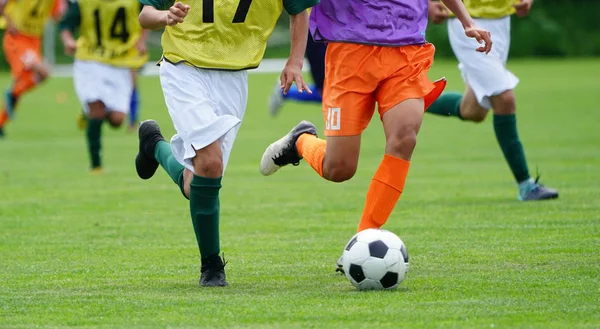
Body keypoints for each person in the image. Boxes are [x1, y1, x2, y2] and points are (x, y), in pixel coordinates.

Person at [259, 0, 492, 271]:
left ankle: (362, 239)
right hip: (349, 50)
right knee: (339, 168)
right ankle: (300, 141)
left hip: (407, 49)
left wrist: (467, 20)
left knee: (404, 138)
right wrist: (296, 60)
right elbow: (299, 5)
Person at [134, 0, 316, 286]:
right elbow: (145, 15)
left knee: (197, 182)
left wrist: (294, 61)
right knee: (211, 161)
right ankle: (212, 266)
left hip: (234, 77)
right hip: (183, 65)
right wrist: (165, 16)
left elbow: (298, 10)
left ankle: (153, 145)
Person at [426, 0, 558, 201]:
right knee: (504, 98)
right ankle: (526, 185)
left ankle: (407, 99)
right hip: (468, 21)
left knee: (473, 110)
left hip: (502, 20)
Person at [59, 0, 149, 172]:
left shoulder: (134, 2)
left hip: (121, 62)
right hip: (90, 61)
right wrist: (68, 40)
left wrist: (141, 40)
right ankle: (96, 165)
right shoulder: (85, 3)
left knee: (117, 120)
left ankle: (88, 113)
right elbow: (66, 24)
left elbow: (147, 15)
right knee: (97, 111)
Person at [0, 0, 65, 137]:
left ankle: (1, 122)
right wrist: (8, 21)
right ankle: (13, 92)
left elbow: (57, 15)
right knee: (44, 71)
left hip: (34, 41)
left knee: (27, 81)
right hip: (17, 39)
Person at [268, 26, 326, 116]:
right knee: (326, 92)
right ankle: (286, 92)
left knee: (329, 92)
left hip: (328, 35)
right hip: (321, 37)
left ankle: (285, 92)